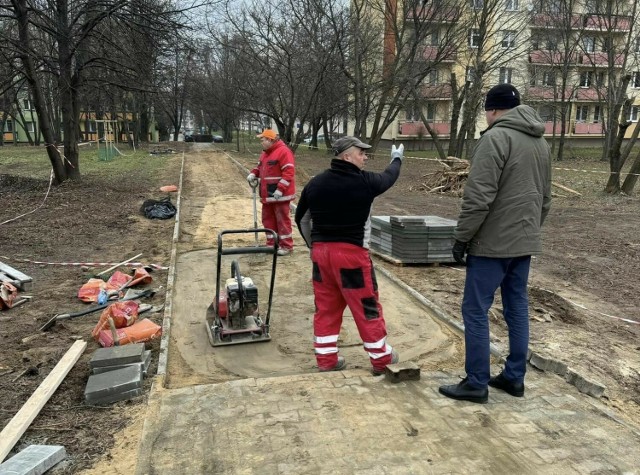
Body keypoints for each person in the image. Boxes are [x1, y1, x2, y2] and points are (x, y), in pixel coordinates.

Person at [439, 84, 552, 403]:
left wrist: (462, 238)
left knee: (475, 309)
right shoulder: (540, 142)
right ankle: (515, 378)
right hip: (524, 242)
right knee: (516, 306)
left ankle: (476, 381)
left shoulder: (495, 138)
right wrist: (528, 231)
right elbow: (545, 199)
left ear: (493, 110)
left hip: (491, 245)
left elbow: (478, 198)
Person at [295, 136, 404, 374]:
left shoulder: (315, 184)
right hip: (351, 256)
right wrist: (396, 159)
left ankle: (326, 360)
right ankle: (381, 359)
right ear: (346, 156)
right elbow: (389, 177)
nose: (365, 157)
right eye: (361, 153)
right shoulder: (366, 182)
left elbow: (301, 218)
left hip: (322, 256)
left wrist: (313, 246)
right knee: (366, 306)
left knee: (326, 306)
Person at [247, 129, 296, 256]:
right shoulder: (265, 153)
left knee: (282, 220)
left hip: (280, 195)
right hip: (267, 195)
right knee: (267, 219)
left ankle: (286, 246)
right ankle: (272, 244)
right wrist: (253, 173)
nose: (261, 142)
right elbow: (259, 166)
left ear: (270, 140)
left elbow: (289, 172)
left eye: (262, 140)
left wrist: (280, 189)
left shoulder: (284, 151)